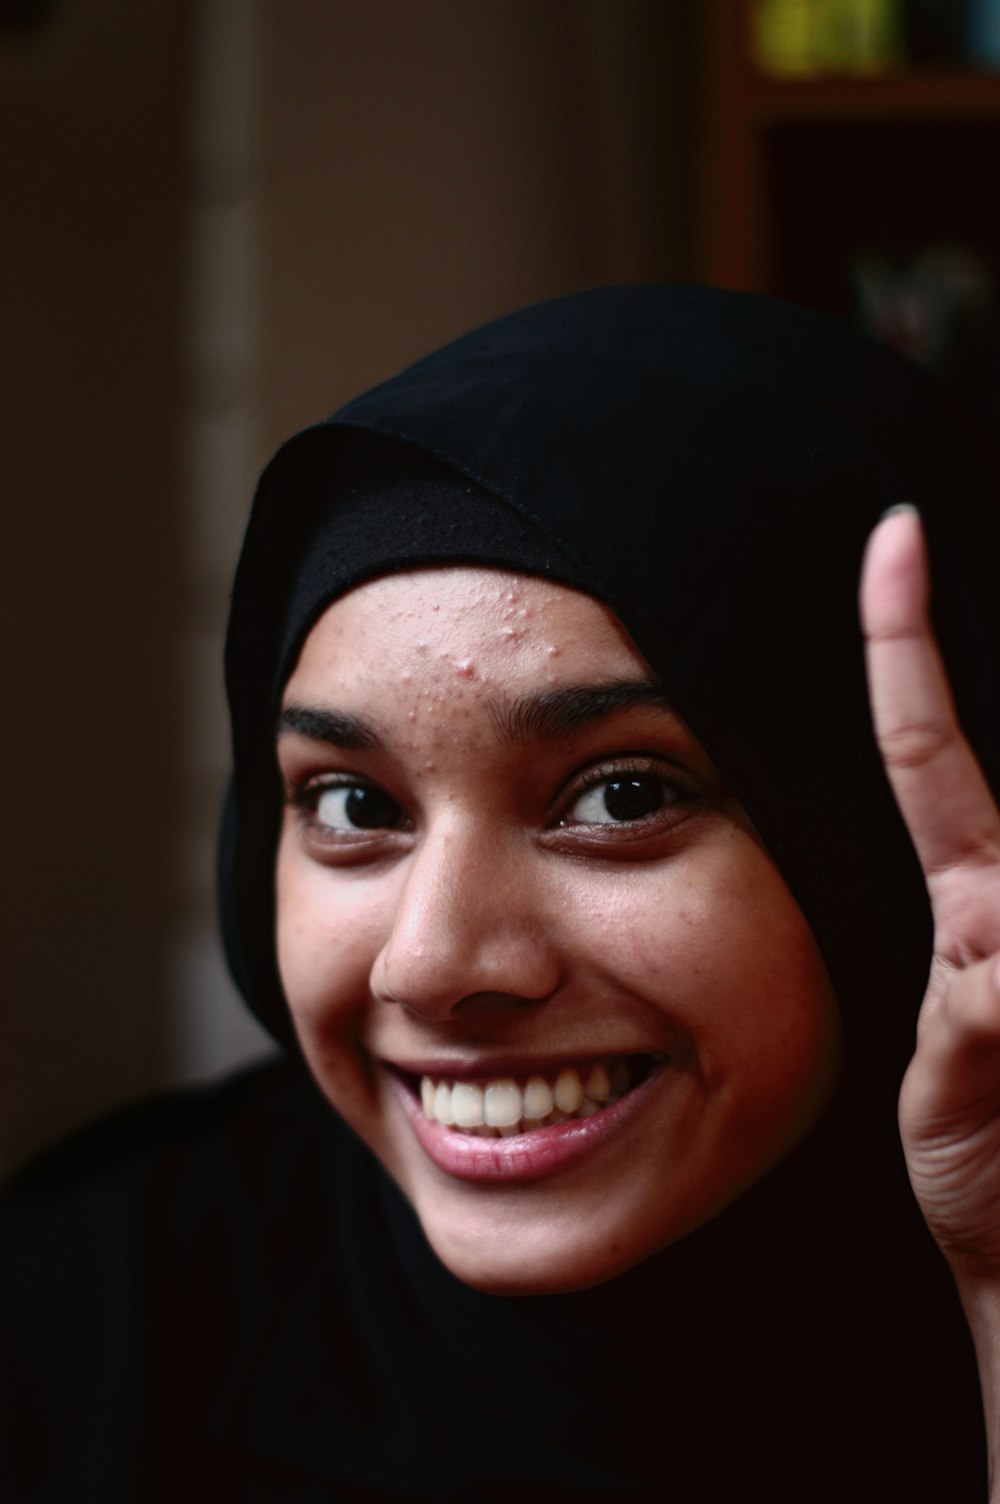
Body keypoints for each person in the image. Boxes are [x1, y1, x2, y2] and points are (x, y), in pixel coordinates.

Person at [4, 284, 1000, 1501]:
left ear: (873, 845)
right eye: (353, 805)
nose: (429, 964)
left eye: (622, 795)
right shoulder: (78, 1332)